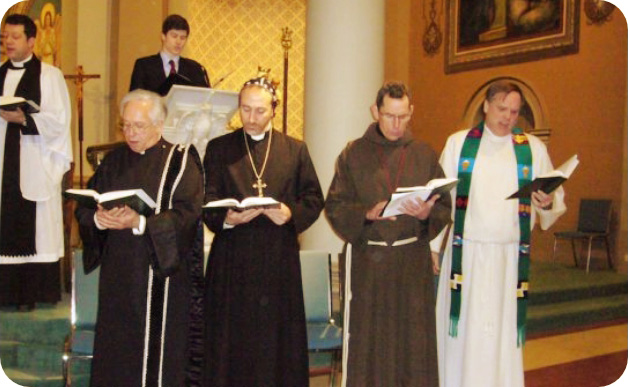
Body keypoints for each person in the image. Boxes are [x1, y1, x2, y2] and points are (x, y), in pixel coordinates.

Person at [433, 80, 566, 387]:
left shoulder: (532, 148)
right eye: (502, 109)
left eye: (515, 111)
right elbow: (440, 201)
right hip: (466, 257)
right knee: (465, 334)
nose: (508, 117)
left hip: (508, 258)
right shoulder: (458, 144)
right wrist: (433, 247)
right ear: (486, 106)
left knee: (500, 336)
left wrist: (546, 202)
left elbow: (553, 197)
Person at [74, 89, 204, 386]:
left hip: (158, 278)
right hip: (118, 277)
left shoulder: (180, 162)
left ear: (159, 125)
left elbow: (188, 216)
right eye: (126, 125)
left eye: (139, 126)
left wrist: (142, 221)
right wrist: (97, 219)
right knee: (117, 354)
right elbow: (85, 204)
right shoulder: (113, 161)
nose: (130, 133)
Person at [325, 82, 451, 386]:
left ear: (411, 112)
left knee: (413, 341)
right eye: (389, 116)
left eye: (403, 117)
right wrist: (367, 213)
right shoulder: (353, 154)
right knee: (371, 340)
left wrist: (426, 215)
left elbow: (443, 203)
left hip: (411, 262)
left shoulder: (424, 153)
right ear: (375, 112)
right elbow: (335, 205)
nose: (397, 124)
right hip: (370, 260)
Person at [202, 77, 324, 386]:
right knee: (231, 340)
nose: (251, 118)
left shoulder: (294, 150)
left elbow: (313, 198)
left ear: (273, 109)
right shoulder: (219, 149)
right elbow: (204, 200)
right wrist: (228, 217)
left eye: (259, 111)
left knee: (275, 342)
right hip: (232, 260)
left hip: (277, 260)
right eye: (245, 110)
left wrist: (289, 213)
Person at [0, 14, 72, 311]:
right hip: (4, 162)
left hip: (34, 159)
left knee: (37, 224)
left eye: (15, 37)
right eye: (5, 37)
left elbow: (59, 120)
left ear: (32, 41)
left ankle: (31, 293)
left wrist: (24, 118)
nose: (8, 42)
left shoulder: (49, 75)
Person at [129, 14, 210, 95]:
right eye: (174, 36)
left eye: (182, 38)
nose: (178, 42)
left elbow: (203, 99)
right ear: (163, 36)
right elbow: (135, 99)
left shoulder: (195, 68)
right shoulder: (144, 66)